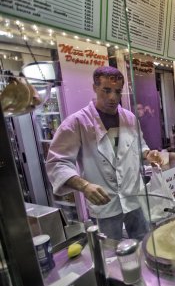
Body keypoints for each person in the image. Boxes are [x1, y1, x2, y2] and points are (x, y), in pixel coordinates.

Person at [46, 66, 162, 241]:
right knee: (110, 253)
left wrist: (147, 154)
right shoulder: (77, 122)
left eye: (117, 91)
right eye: (106, 90)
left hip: (133, 198)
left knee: (143, 243)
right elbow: (57, 163)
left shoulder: (130, 119)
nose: (113, 97)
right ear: (95, 87)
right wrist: (84, 186)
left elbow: (138, 146)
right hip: (104, 204)